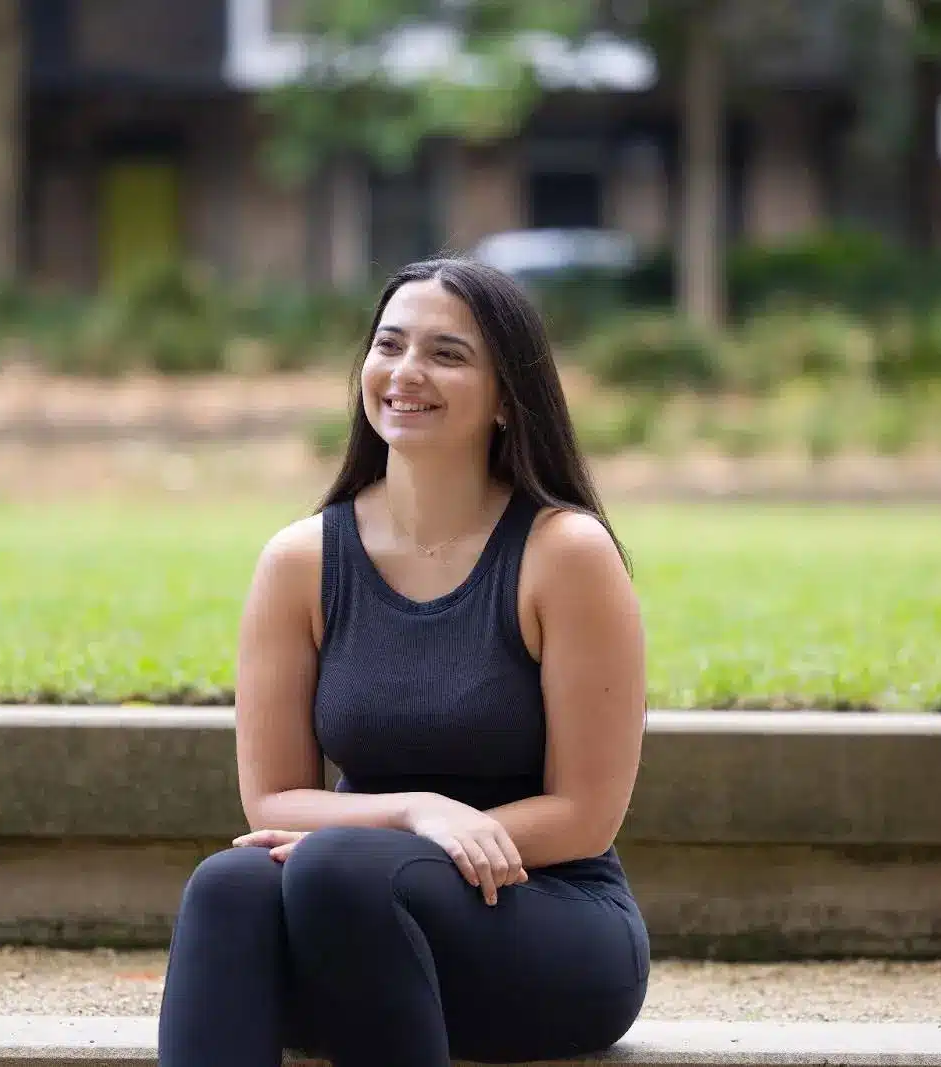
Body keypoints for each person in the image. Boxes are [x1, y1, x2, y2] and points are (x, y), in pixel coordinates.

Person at [156, 257, 650, 1066]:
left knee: (341, 872)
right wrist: (416, 810)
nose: (406, 372)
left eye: (447, 354)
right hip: (348, 922)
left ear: (505, 398)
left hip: (543, 926)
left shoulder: (564, 554)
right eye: (390, 345)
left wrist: (420, 842)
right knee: (228, 885)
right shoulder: (301, 560)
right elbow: (272, 799)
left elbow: (585, 814)